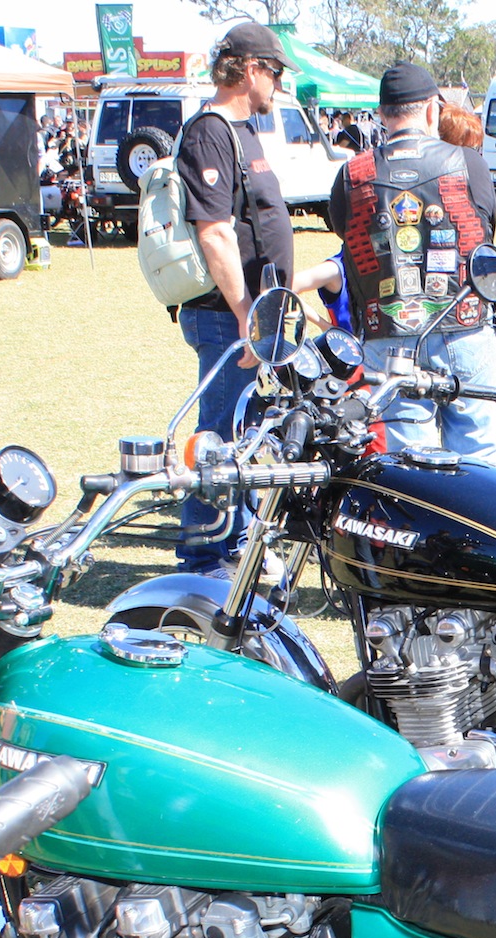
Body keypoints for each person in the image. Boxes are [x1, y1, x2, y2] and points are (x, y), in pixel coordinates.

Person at [166, 21, 295, 571]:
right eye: (276, 72)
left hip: (254, 313)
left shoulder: (244, 131)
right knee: (218, 436)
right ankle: (202, 558)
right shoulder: (209, 131)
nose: (280, 86)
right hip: (227, 317)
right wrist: (248, 315)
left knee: (243, 432)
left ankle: (234, 544)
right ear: (249, 68)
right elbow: (215, 231)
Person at [329, 61, 496, 461]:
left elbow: (345, 233)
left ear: (383, 115)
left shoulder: (351, 174)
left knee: (409, 459)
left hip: (388, 330)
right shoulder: (467, 161)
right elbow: (486, 233)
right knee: (479, 453)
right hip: (465, 323)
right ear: (431, 110)